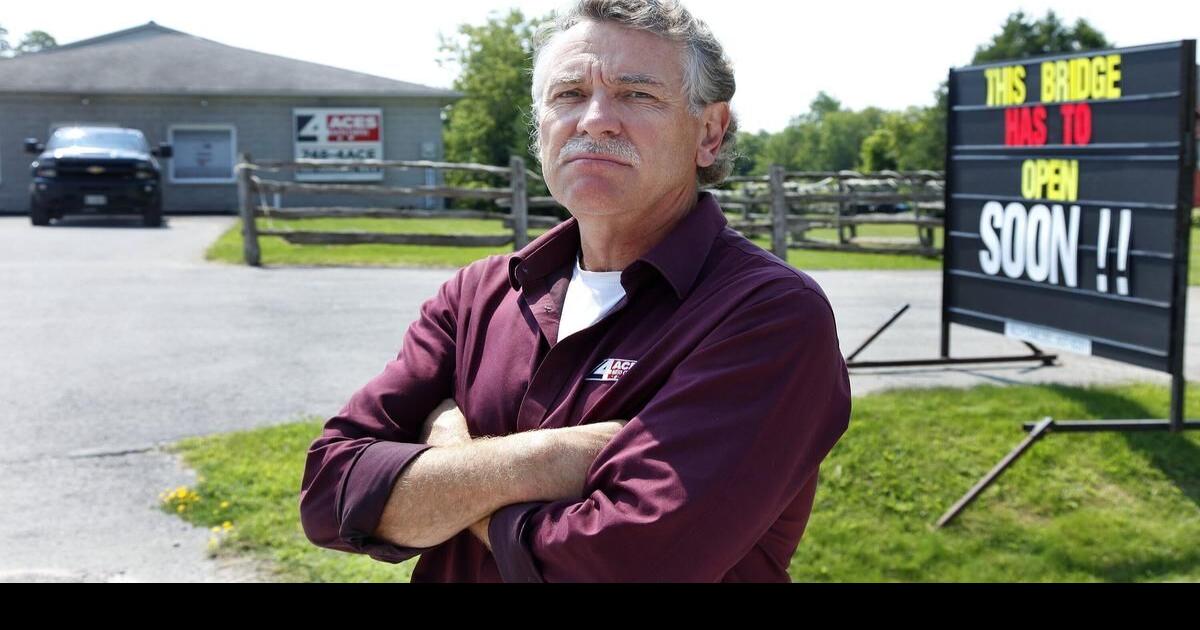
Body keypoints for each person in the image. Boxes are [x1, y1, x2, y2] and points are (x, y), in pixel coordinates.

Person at [299, 0, 851, 582]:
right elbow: (329, 494)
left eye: (636, 95)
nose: (594, 120)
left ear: (709, 132)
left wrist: (443, 467)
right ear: (539, 125)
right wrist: (545, 462)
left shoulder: (769, 316)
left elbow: (617, 567)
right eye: (567, 95)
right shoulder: (477, 296)